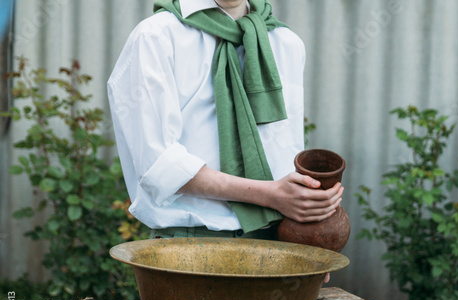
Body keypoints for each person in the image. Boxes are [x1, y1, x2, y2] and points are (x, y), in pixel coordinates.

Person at [107, 0, 343, 246]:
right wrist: (271, 195)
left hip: (277, 244)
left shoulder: (285, 43)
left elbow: (284, 155)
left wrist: (311, 241)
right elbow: (159, 166)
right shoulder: (156, 37)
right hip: (185, 251)